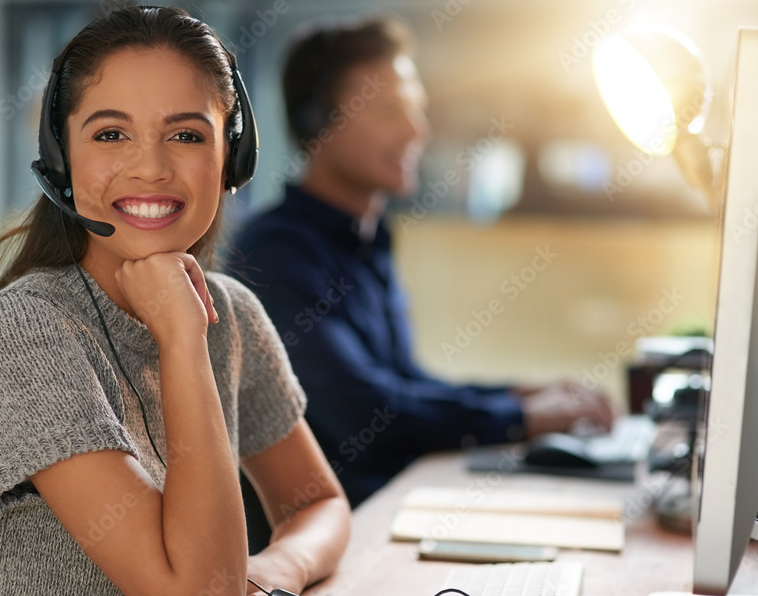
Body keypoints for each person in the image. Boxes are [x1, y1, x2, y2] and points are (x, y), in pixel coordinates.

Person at [0, 7, 349, 596]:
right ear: (60, 157)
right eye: (111, 134)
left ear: (231, 157)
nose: (150, 168)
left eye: (185, 136)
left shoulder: (231, 314)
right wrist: (181, 339)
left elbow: (318, 500)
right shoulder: (19, 340)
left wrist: (278, 567)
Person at [225, 16, 614, 507]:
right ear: (315, 125)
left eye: (417, 110)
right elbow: (364, 415)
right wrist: (525, 419)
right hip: (340, 532)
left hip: (391, 506)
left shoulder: (370, 238)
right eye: (390, 111)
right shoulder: (276, 254)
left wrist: (517, 395)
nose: (417, 130)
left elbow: (402, 383)